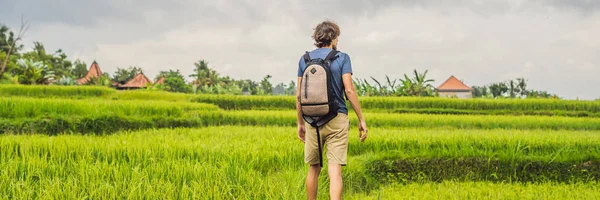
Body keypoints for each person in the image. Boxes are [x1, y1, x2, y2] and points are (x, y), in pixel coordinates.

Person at [296, 20, 368, 200]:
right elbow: (349, 89)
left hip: (312, 120)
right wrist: (361, 118)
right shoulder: (342, 57)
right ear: (334, 38)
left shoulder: (304, 60)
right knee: (334, 170)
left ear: (316, 38)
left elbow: (298, 95)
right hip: (337, 119)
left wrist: (300, 123)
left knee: (313, 168)